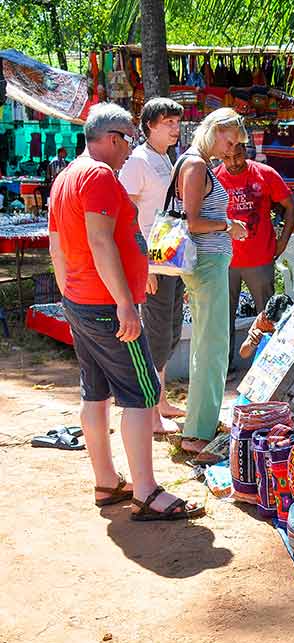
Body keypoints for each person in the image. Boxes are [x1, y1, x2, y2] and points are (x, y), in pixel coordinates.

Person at [47, 102, 204, 521]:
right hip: (103, 304)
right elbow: (101, 242)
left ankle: (106, 480)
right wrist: (123, 304)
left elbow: (57, 246)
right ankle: (147, 491)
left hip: (81, 299)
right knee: (140, 393)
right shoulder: (98, 176)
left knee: (94, 391)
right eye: (129, 139)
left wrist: (69, 293)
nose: (130, 148)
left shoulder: (66, 176)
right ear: (114, 138)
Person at [174, 108, 248, 454]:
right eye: (229, 140)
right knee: (213, 347)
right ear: (215, 130)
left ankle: (198, 424)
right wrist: (227, 226)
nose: (231, 150)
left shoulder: (196, 162)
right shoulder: (196, 164)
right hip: (206, 262)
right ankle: (198, 434)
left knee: (209, 345)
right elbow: (190, 222)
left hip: (206, 262)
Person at [118, 97, 186, 434]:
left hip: (172, 253)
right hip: (152, 260)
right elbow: (125, 216)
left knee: (171, 330)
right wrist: (142, 266)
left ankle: (160, 401)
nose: (175, 128)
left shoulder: (164, 157)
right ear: (150, 126)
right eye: (168, 123)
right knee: (157, 333)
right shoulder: (138, 162)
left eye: (176, 122)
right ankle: (152, 413)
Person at [215, 142, 294, 366]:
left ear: (247, 152)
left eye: (238, 156)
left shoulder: (265, 174)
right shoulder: (213, 178)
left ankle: (268, 366)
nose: (233, 162)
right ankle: (223, 369)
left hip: (259, 258)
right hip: (225, 259)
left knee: (268, 316)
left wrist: (282, 241)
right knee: (222, 318)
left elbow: (291, 205)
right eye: (227, 157)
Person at [239, 293, 293, 359]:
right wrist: (252, 343)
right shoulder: (263, 320)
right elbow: (243, 354)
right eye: (271, 323)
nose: (274, 326)